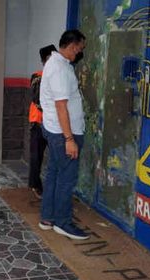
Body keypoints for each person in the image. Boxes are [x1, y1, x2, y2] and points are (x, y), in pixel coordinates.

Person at [38, 30, 89, 240]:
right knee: (66, 179)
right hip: (62, 134)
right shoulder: (59, 68)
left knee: (54, 174)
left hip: (56, 131)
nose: (81, 51)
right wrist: (69, 139)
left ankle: (48, 218)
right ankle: (62, 222)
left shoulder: (57, 64)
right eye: (80, 47)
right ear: (72, 44)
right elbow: (61, 106)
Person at [28, 44, 57, 199]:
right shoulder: (38, 77)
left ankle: (46, 185)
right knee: (36, 156)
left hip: (51, 123)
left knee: (48, 156)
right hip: (39, 122)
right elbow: (38, 100)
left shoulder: (54, 76)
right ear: (46, 60)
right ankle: (35, 184)